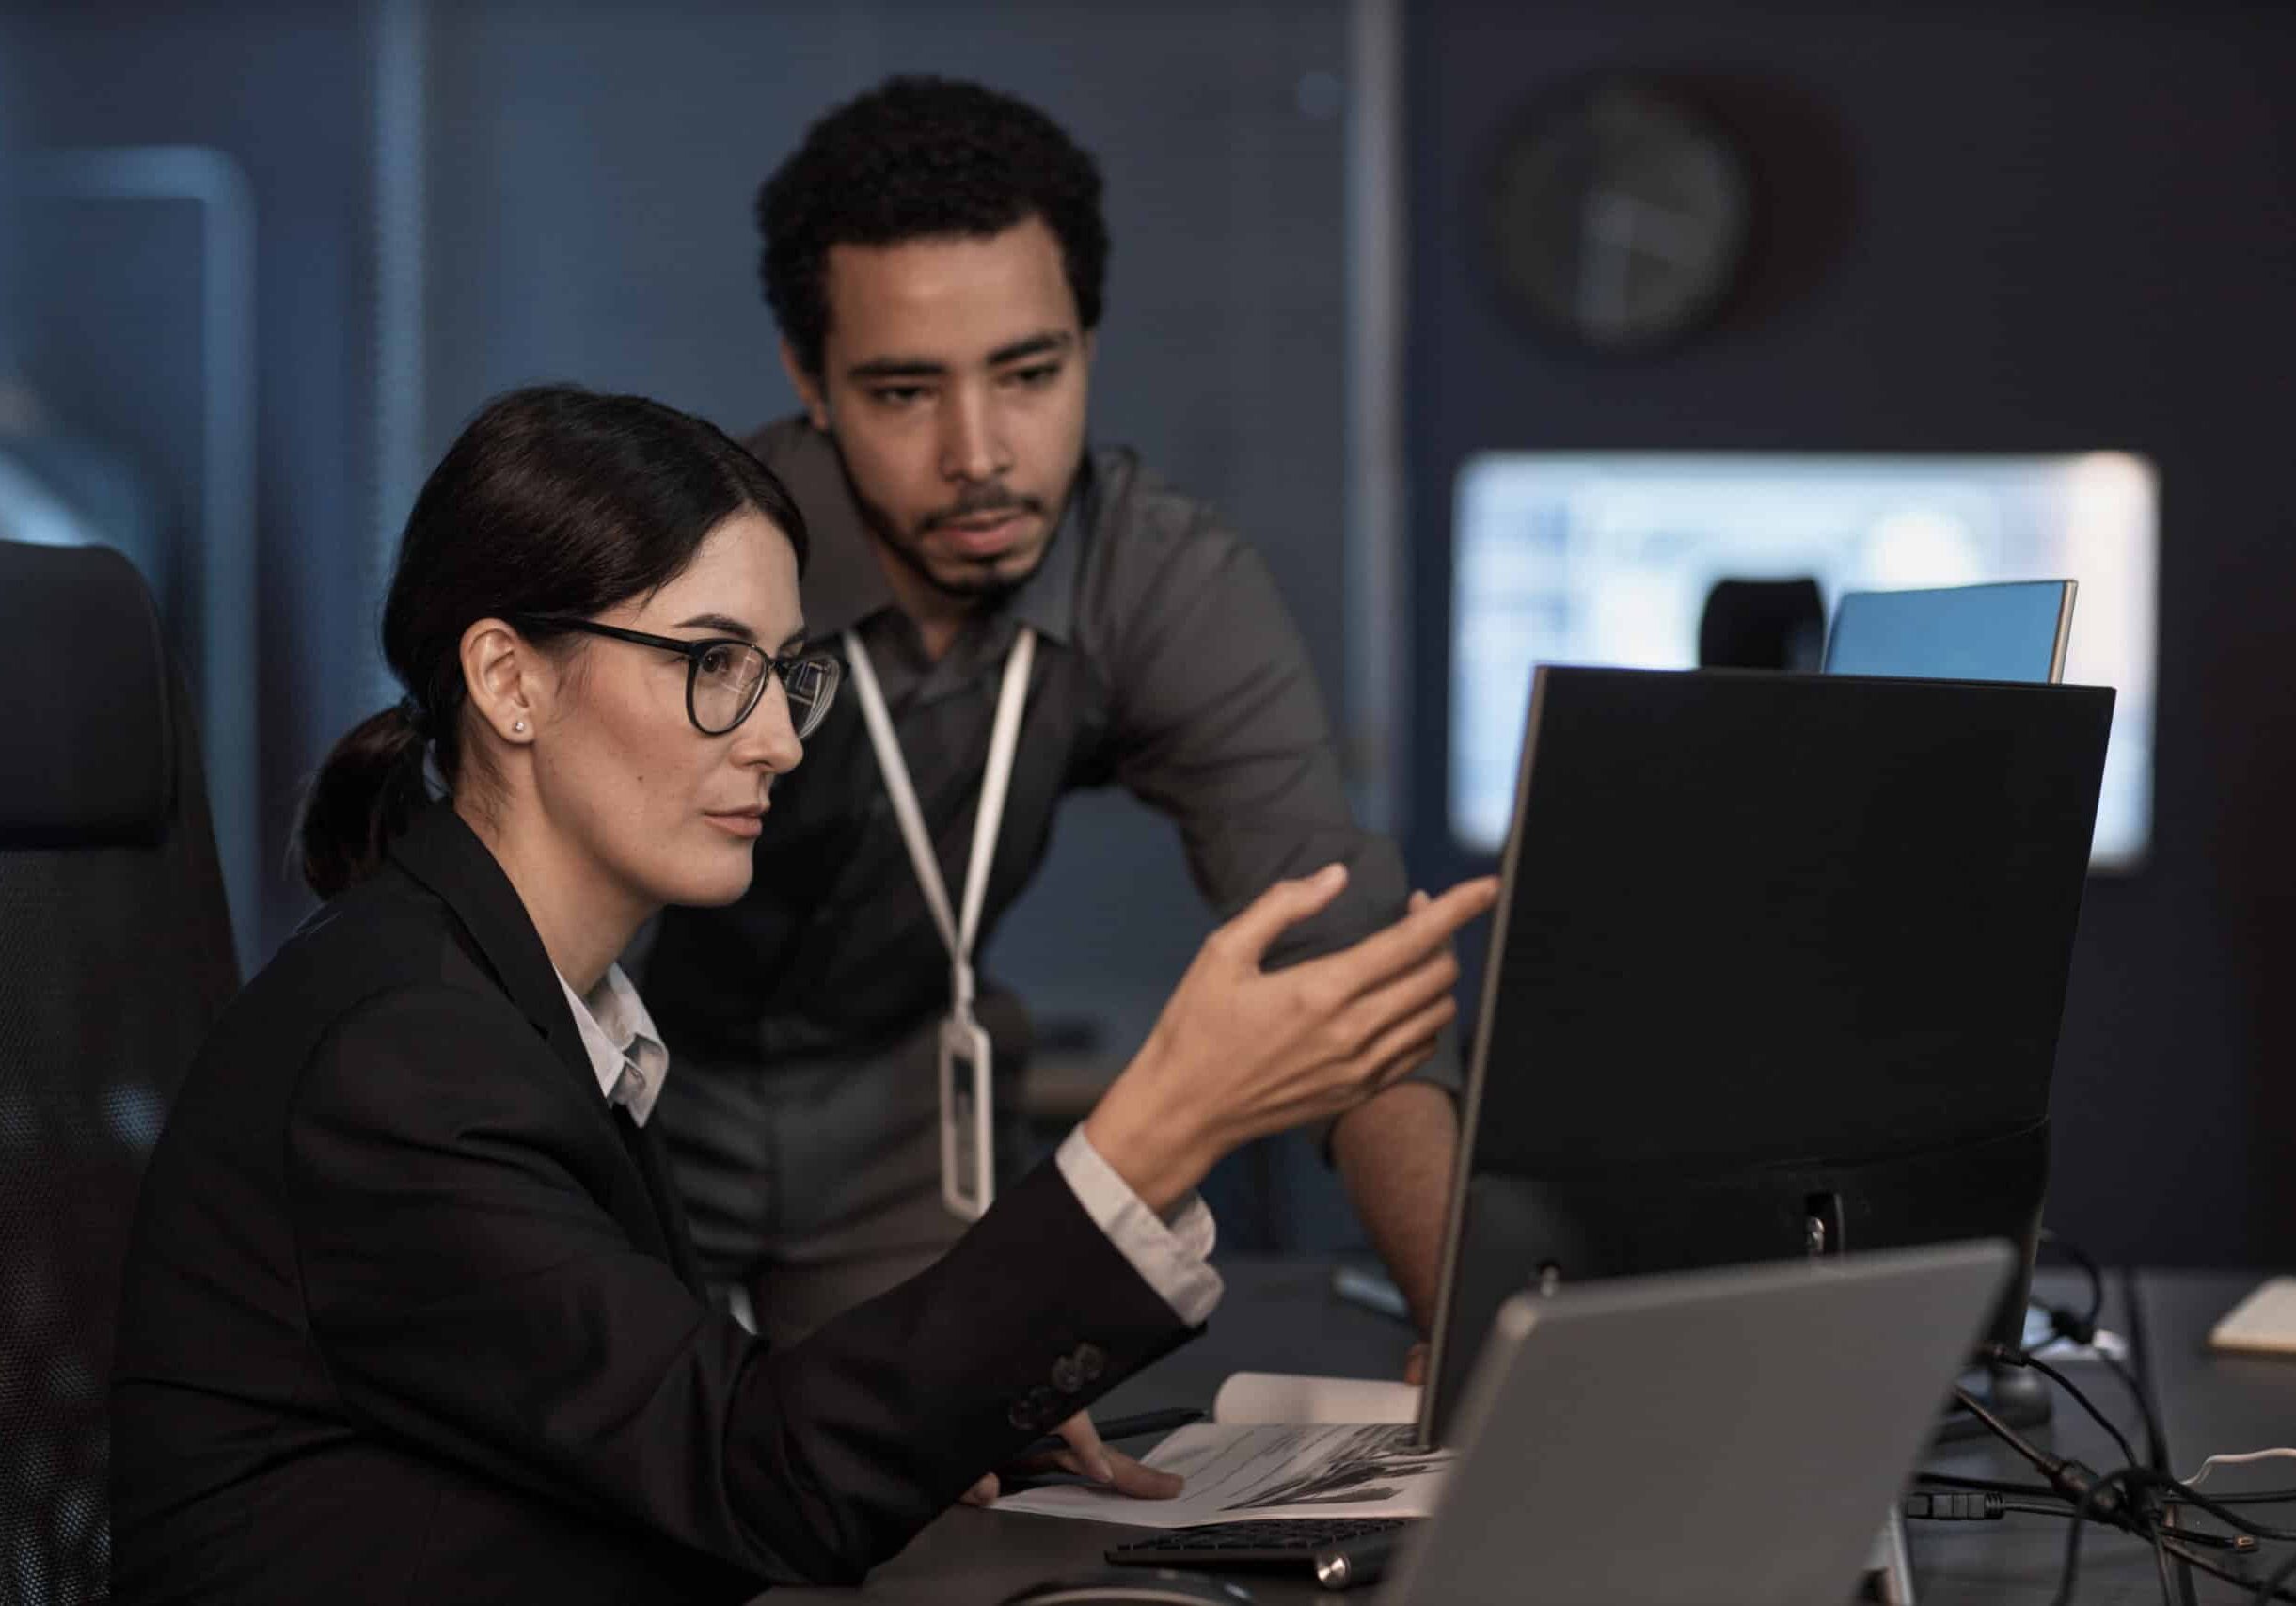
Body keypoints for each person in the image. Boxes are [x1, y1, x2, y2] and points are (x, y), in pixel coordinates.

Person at [107, 385, 1496, 1604]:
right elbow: (755, 1478)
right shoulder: (401, 1059)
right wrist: (1167, 1122)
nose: (775, 737)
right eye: (713, 664)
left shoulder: (522, 1011)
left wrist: (949, 1419)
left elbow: (674, 1427)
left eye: (786, 672)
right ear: (508, 679)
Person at [645, 75, 1463, 1359]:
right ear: (812, 377)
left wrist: (1469, 1333)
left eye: (1027, 372)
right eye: (906, 393)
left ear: (1087, 340)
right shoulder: (698, 555)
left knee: (953, 1510)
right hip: (631, 1103)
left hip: (903, 1126)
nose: (979, 450)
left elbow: (1339, 964)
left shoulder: (1163, 578)